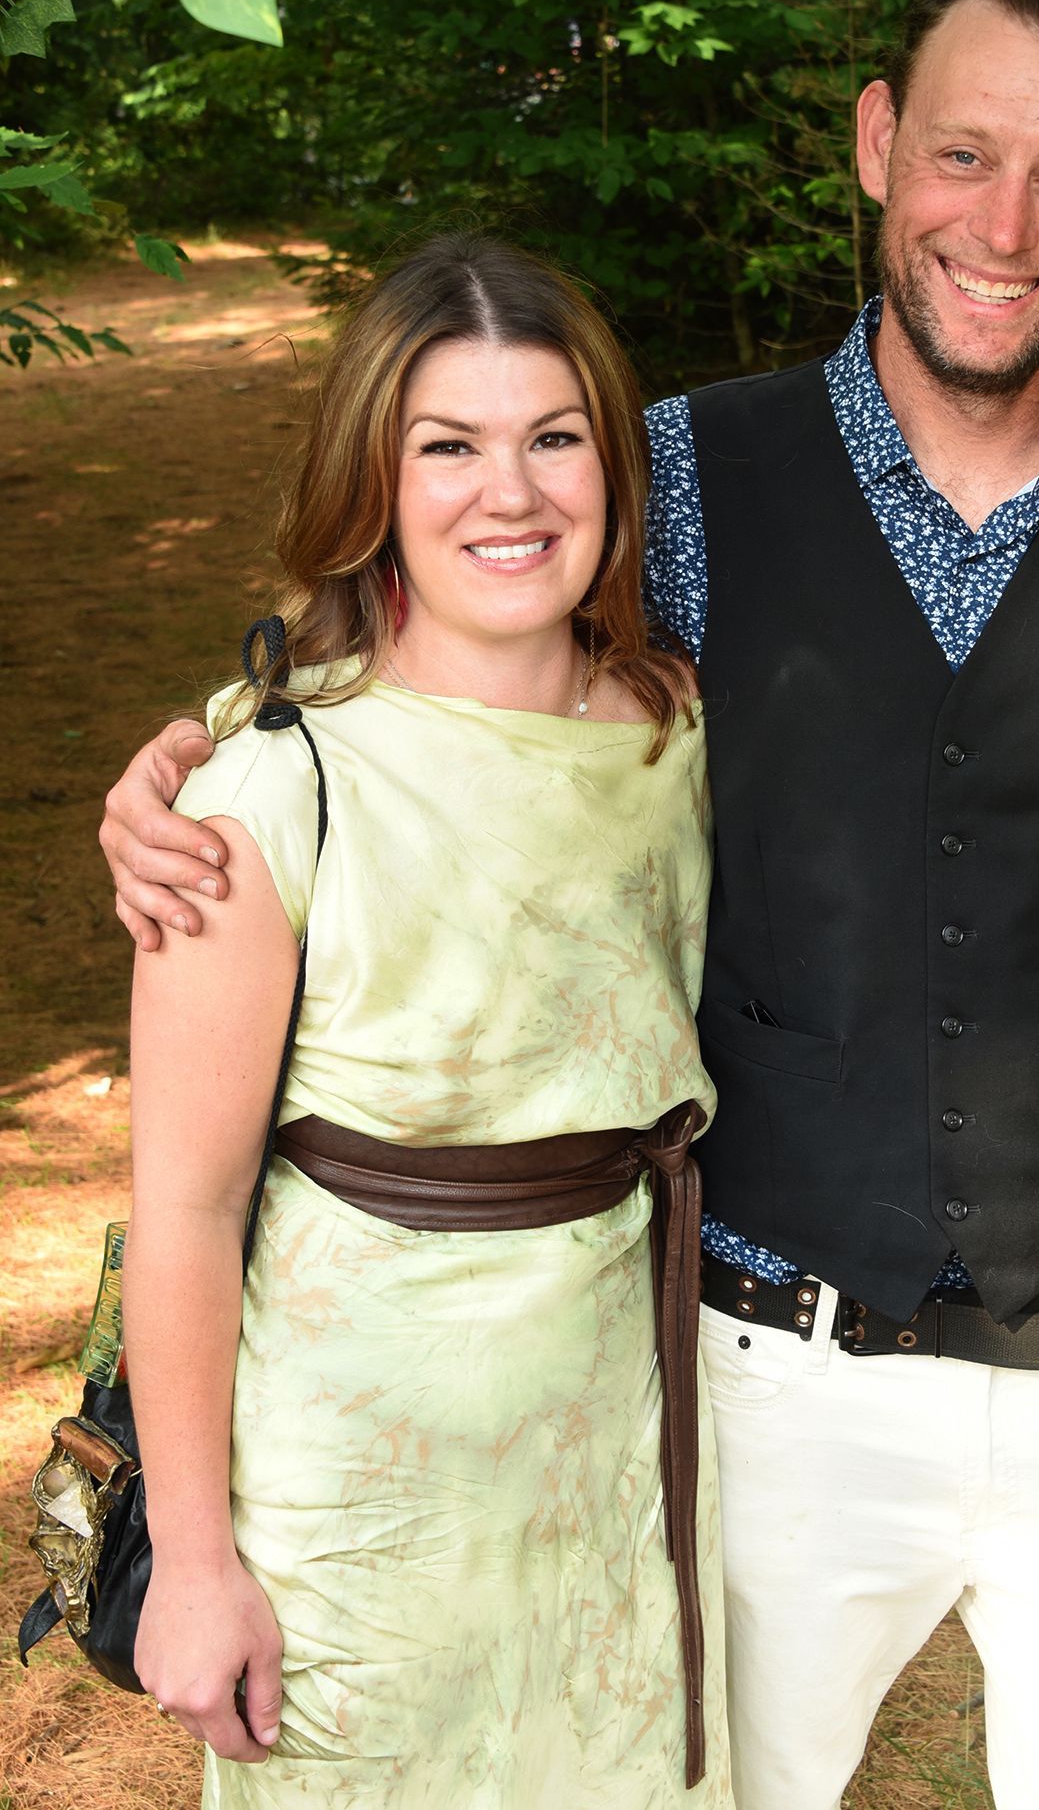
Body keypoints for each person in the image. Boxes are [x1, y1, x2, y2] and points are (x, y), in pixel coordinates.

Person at [103, 0, 1039, 1810]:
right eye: (967, 154)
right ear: (878, 141)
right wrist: (192, 758)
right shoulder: (683, 484)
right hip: (767, 1371)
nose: (1007, 220)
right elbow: (454, 657)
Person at [120, 235, 731, 1806]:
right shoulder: (275, 781)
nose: (507, 493)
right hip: (360, 1497)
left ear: (611, 459)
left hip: (614, 1446)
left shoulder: (669, 731)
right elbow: (184, 1204)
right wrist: (194, 1562)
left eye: (553, 436)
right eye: (445, 446)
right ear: (372, 482)